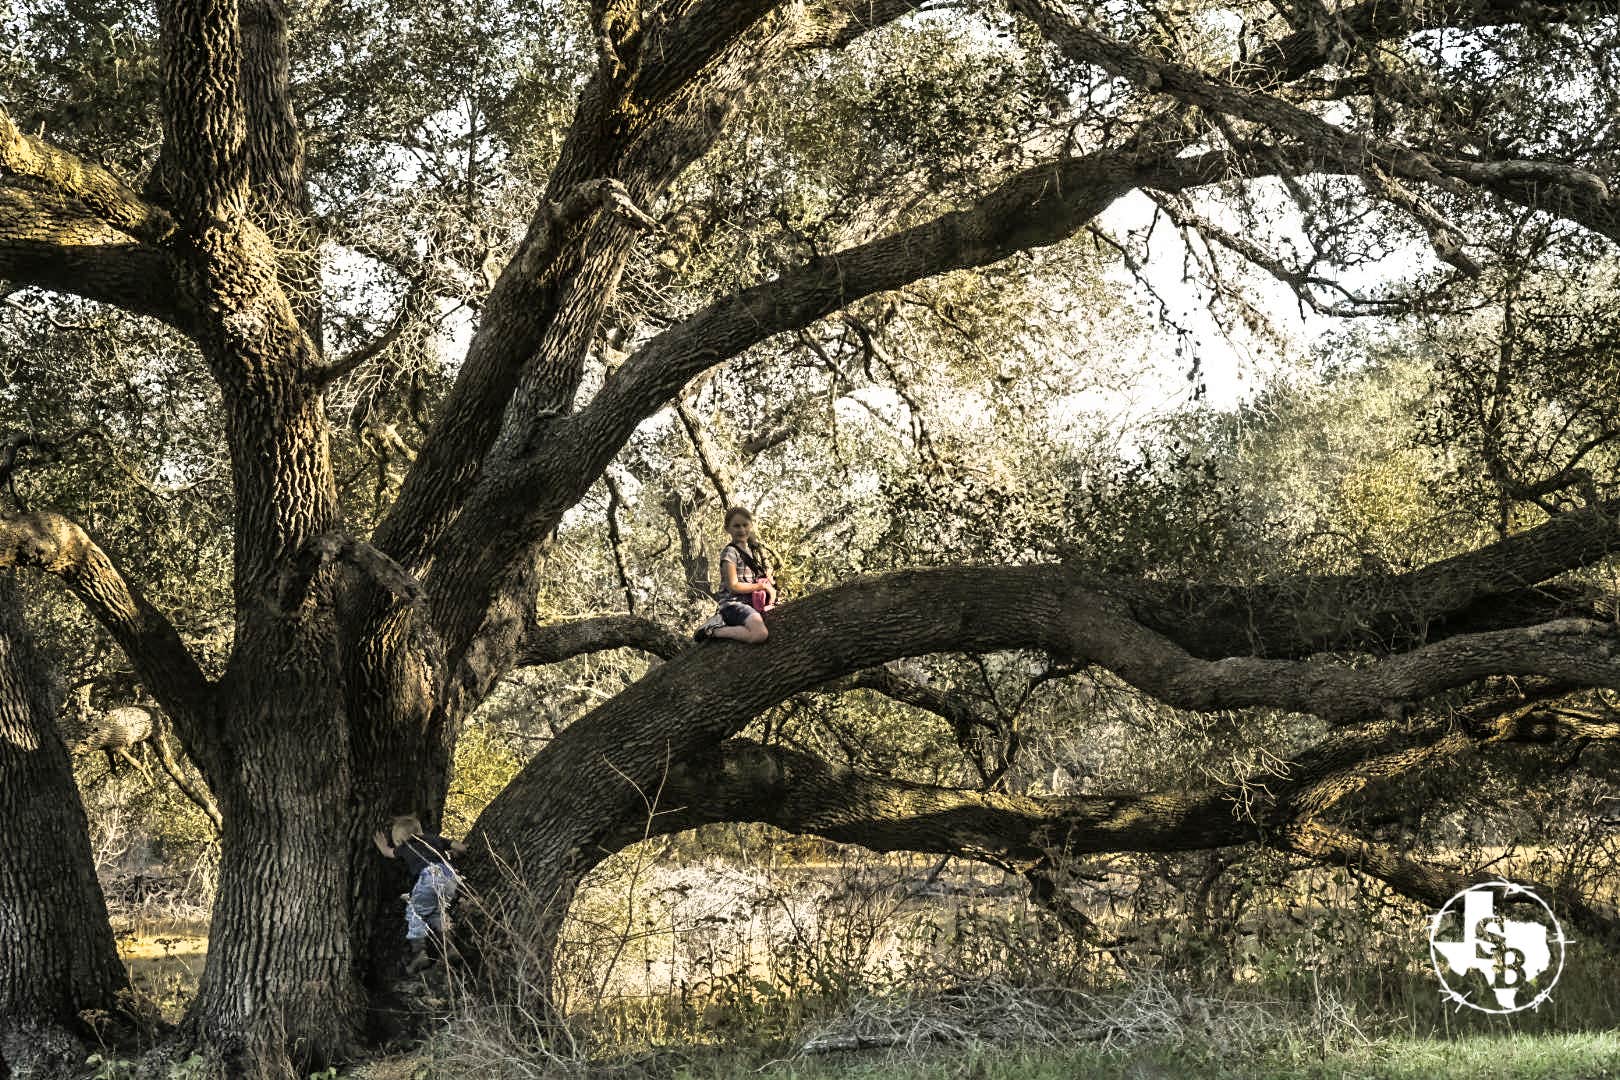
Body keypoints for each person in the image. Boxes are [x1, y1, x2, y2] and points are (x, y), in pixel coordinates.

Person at [373, 813, 466, 973]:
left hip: (429, 876)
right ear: (420, 831)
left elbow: (387, 853)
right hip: (450, 878)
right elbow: (461, 847)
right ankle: (450, 949)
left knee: (414, 912)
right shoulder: (433, 839)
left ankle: (419, 952)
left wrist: (382, 846)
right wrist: (459, 853)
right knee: (438, 912)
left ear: (399, 841)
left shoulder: (405, 846)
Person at [692, 506, 774, 644]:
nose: (741, 530)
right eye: (736, 526)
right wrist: (760, 586)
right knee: (760, 634)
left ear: (751, 525)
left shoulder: (751, 550)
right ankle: (714, 630)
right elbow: (733, 586)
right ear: (727, 529)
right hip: (732, 605)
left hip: (749, 603)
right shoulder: (730, 552)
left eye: (745, 525)